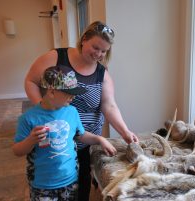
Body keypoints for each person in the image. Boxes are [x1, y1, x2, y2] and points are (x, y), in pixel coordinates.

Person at [24, 21, 139, 200]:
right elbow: (31, 81)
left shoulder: (102, 73)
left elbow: (109, 105)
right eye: (95, 47)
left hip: (84, 142)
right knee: (47, 184)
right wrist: (45, 110)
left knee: (79, 187)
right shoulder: (56, 57)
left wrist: (125, 132)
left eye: (104, 51)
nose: (99, 54)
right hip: (52, 141)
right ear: (84, 39)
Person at [13, 66, 117, 200]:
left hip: (70, 180)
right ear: (51, 92)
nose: (74, 96)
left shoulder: (72, 111)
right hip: (42, 185)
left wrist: (100, 139)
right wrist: (30, 140)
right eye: (70, 93)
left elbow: (81, 135)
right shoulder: (28, 118)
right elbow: (17, 151)